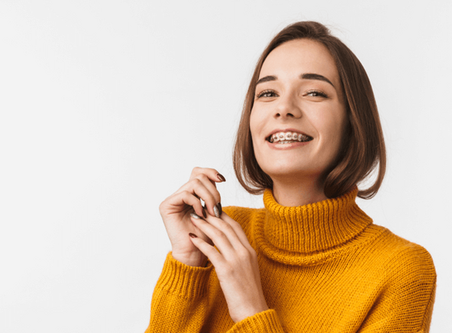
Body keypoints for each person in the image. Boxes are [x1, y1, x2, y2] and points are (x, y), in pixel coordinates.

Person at [145, 21, 436, 332]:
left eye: (313, 92)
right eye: (268, 92)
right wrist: (186, 265)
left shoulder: (401, 269)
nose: (284, 108)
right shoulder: (218, 239)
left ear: (353, 121)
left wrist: (250, 310)